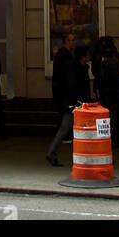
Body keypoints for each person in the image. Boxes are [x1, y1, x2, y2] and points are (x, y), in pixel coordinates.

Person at [46, 31, 79, 167]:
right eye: (70, 40)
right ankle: (52, 152)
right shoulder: (64, 56)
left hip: (66, 97)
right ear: (65, 41)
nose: (73, 42)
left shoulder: (65, 55)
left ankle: (52, 153)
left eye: (73, 40)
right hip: (67, 98)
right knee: (65, 127)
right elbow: (63, 79)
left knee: (66, 127)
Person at [92, 35, 119, 148]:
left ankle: (104, 138)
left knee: (103, 115)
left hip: (103, 90)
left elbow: (94, 72)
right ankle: (116, 138)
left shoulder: (98, 56)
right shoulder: (117, 55)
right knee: (116, 114)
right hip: (117, 89)